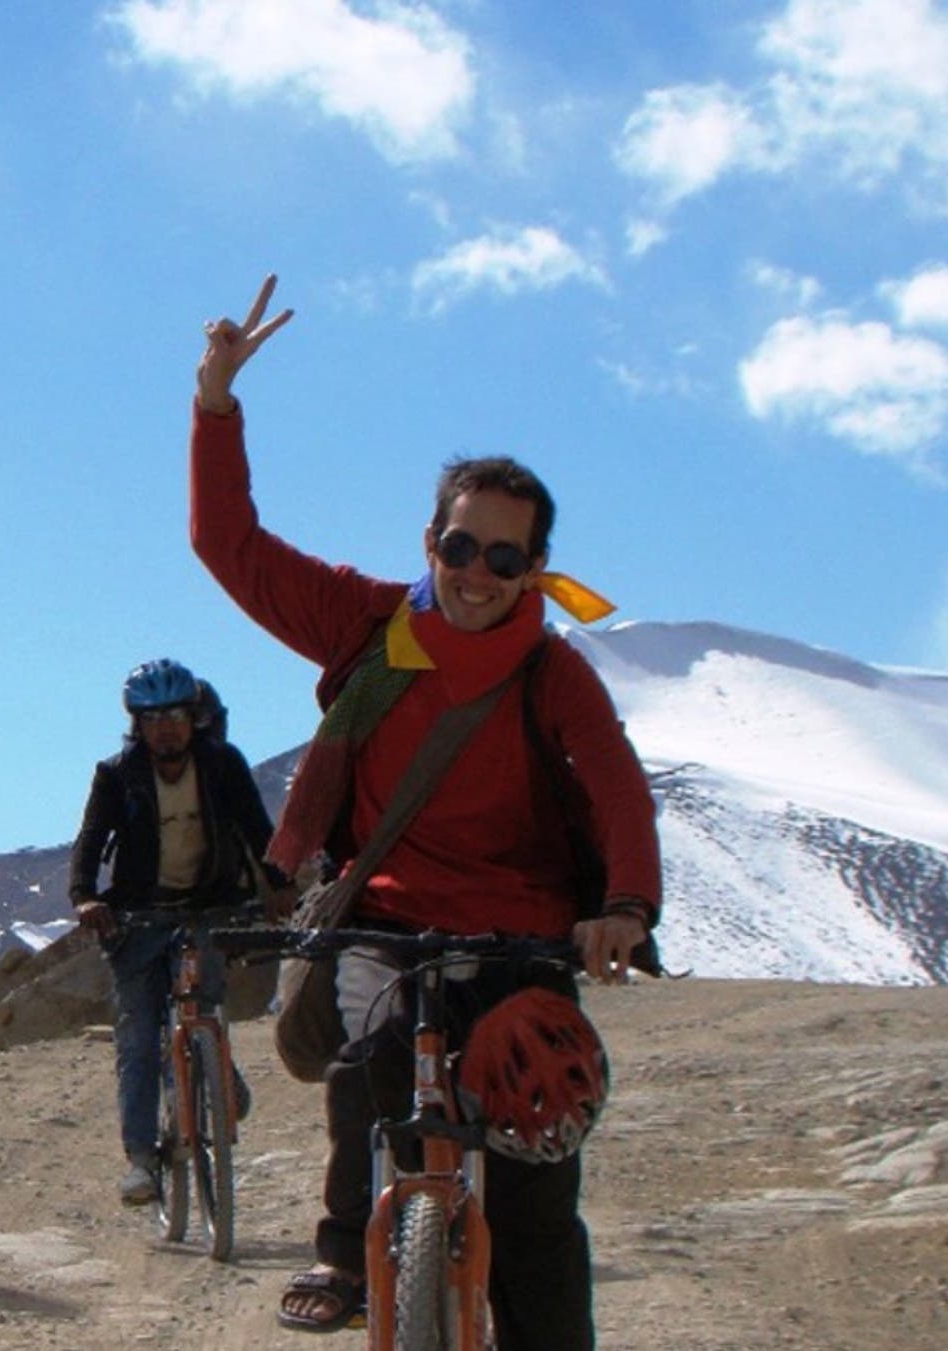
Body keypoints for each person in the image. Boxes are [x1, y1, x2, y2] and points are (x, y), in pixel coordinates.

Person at [188, 276, 661, 1346]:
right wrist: (216, 403)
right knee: (373, 1083)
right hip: (387, 926)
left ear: (534, 570)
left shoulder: (554, 674)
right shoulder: (366, 625)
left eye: (504, 557)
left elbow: (617, 784)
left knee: (535, 1201)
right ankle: (346, 1250)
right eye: (459, 547)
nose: (476, 574)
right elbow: (232, 547)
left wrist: (626, 906)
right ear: (429, 541)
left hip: (523, 941)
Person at [69, 658, 285, 1205]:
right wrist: (86, 896)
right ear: (137, 725)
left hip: (209, 906)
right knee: (139, 1036)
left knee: (203, 1007)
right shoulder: (117, 775)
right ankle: (142, 1159)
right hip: (140, 915)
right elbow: (90, 841)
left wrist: (281, 885)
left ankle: (214, 1068)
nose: (165, 727)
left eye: (175, 715)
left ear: (194, 718)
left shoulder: (222, 765)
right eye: (152, 718)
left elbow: (258, 831)